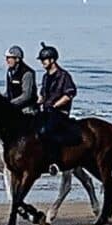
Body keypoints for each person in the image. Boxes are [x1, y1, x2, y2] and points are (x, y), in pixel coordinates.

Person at [36, 42, 78, 175]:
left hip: (60, 112)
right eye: (41, 60)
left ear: (52, 60)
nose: (42, 62)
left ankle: (54, 162)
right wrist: (36, 102)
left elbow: (69, 94)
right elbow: (42, 95)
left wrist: (54, 105)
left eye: (44, 60)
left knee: (47, 131)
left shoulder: (64, 76)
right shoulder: (45, 77)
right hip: (47, 111)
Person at [4, 45, 37, 114]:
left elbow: (26, 96)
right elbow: (8, 91)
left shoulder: (27, 73)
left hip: (27, 108)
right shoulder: (10, 72)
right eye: (7, 58)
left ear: (17, 59)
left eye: (10, 58)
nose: (7, 60)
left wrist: (10, 103)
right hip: (14, 106)